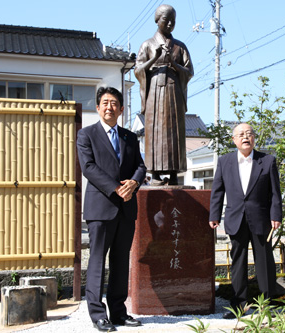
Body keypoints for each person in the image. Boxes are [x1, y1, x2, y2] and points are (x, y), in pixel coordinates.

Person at [77, 87, 146, 332]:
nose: (109, 107)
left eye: (114, 103)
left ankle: (118, 312)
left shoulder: (130, 137)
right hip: (100, 208)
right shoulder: (86, 135)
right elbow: (88, 167)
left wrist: (135, 183)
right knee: (97, 261)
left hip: (126, 209)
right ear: (98, 107)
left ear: (121, 109)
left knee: (120, 262)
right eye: (105, 102)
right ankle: (98, 315)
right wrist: (117, 188)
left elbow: (140, 165)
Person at [209, 123, 283, 319]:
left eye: (249, 134)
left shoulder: (267, 161)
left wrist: (276, 216)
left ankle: (266, 304)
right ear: (234, 140)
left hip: (261, 219)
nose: (245, 137)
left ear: (254, 138)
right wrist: (214, 215)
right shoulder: (225, 161)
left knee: (265, 263)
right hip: (235, 218)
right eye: (241, 134)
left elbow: (276, 193)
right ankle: (239, 305)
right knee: (238, 263)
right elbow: (218, 190)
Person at [135, 4, 194, 185]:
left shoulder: (180, 47)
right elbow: (138, 70)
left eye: (173, 21)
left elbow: (189, 71)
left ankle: (174, 173)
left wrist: (173, 64)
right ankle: (155, 175)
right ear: (157, 21)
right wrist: (155, 58)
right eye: (166, 20)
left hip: (174, 92)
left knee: (175, 132)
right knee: (155, 131)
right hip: (154, 93)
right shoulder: (147, 45)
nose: (169, 24)